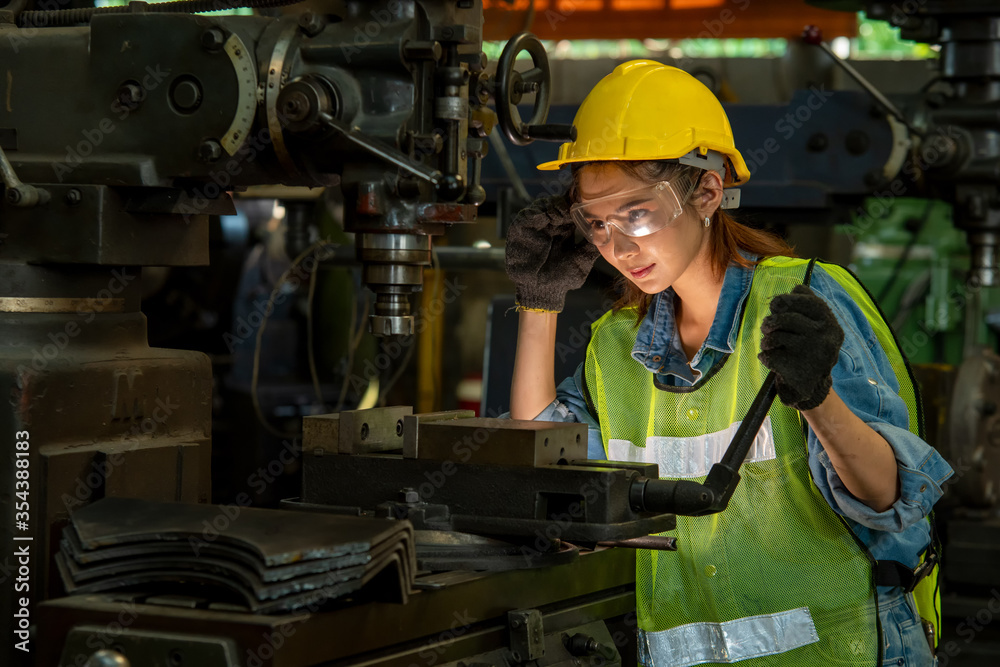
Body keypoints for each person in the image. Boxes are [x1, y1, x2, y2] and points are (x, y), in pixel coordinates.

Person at [505, 60, 953, 666]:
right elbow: (545, 462)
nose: (619, 247)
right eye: (598, 224)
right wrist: (539, 304)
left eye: (637, 213)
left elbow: (885, 496)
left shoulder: (802, 302)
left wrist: (816, 397)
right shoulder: (616, 343)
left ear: (709, 193)